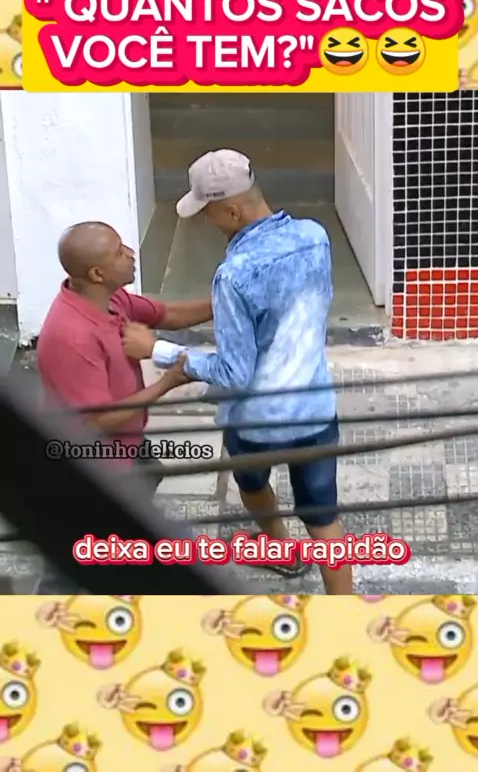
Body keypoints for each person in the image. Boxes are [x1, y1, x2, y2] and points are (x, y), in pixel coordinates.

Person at [122, 150, 353, 595]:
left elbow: (233, 372)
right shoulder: (315, 236)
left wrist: (158, 350)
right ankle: (346, 612)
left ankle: (282, 553)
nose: (206, 221)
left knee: (251, 482)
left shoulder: (233, 276)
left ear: (231, 210)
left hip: (257, 422)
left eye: (208, 212)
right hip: (314, 410)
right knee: (324, 519)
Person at [35, 221, 212, 593]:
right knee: (71, 566)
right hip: (89, 464)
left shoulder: (111, 299)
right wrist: (166, 382)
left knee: (145, 475)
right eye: (119, 252)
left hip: (124, 448)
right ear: (97, 274)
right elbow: (98, 421)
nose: (131, 253)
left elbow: (168, 314)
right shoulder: (70, 335)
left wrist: (228, 301)